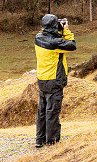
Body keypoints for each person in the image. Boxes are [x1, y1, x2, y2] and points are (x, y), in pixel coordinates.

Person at [34, 13, 76, 148]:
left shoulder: (38, 37)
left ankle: (40, 139)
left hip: (42, 79)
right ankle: (52, 141)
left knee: (42, 110)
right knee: (52, 111)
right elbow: (72, 45)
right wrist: (66, 30)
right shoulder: (54, 43)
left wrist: (58, 31)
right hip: (54, 80)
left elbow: (52, 38)